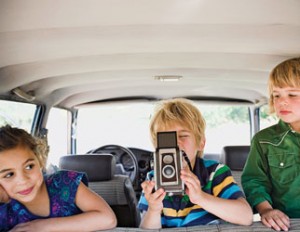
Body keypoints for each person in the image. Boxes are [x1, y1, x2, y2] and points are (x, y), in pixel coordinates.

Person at [138, 98, 253, 229]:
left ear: (200, 143)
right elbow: (145, 228)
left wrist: (201, 198)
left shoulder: (215, 173)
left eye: (183, 136)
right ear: (157, 146)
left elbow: (246, 216)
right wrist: (154, 209)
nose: (176, 143)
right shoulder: (153, 178)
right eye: (167, 138)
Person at [0, 125, 117, 232]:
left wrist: (41, 226)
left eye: (29, 166)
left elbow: (108, 218)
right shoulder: (4, 208)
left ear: (40, 161)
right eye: (9, 175)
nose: (23, 180)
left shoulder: (65, 183)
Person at [241, 57, 300, 232]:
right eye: (276, 95)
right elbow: (254, 180)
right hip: (287, 224)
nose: (282, 101)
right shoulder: (263, 140)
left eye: (292, 94)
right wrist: (266, 210)